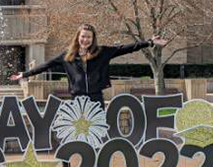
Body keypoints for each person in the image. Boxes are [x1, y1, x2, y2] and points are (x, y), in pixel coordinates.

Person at [10, 24, 167, 107]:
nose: (85, 40)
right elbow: (46, 65)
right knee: (78, 132)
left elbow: (126, 49)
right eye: (83, 36)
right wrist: (24, 75)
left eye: (89, 37)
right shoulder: (68, 55)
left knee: (97, 132)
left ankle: (97, 164)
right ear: (78, 37)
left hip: (96, 98)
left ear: (93, 39)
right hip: (77, 98)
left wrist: (150, 42)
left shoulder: (102, 52)